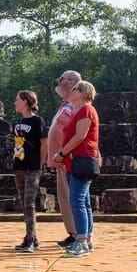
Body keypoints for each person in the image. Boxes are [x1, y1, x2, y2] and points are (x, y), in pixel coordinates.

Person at [53, 80, 100, 258]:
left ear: (83, 93)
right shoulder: (78, 112)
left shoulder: (87, 110)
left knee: (77, 201)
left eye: (74, 89)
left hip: (82, 160)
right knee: (84, 201)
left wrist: (62, 153)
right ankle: (87, 239)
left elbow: (80, 136)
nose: (71, 91)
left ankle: (81, 242)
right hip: (75, 161)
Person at [47, 70, 82, 247]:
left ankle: (80, 235)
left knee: (73, 196)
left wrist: (63, 153)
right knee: (64, 197)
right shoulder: (66, 104)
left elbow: (76, 133)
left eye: (62, 78)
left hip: (67, 157)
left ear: (71, 83)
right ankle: (73, 233)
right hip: (60, 159)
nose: (59, 81)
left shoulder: (76, 105)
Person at [12, 90, 47, 253]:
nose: (15, 102)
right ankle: (33, 236)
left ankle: (30, 239)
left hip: (32, 167)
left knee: (29, 203)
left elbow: (44, 143)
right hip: (19, 165)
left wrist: (39, 164)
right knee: (23, 203)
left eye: (17, 100)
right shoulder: (17, 123)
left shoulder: (37, 121)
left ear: (26, 102)